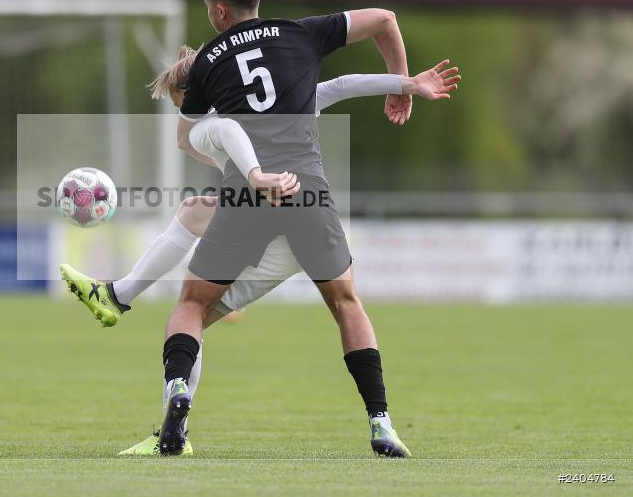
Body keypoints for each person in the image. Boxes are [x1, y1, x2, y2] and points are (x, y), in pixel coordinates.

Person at [61, 46, 459, 454]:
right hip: (307, 210)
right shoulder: (286, 97)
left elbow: (223, 130)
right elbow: (342, 85)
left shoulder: (207, 125)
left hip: (258, 217)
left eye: (185, 103)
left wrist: (250, 171)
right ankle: (382, 423)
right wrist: (407, 83)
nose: (187, 112)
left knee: (190, 313)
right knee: (346, 304)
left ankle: (125, 315)